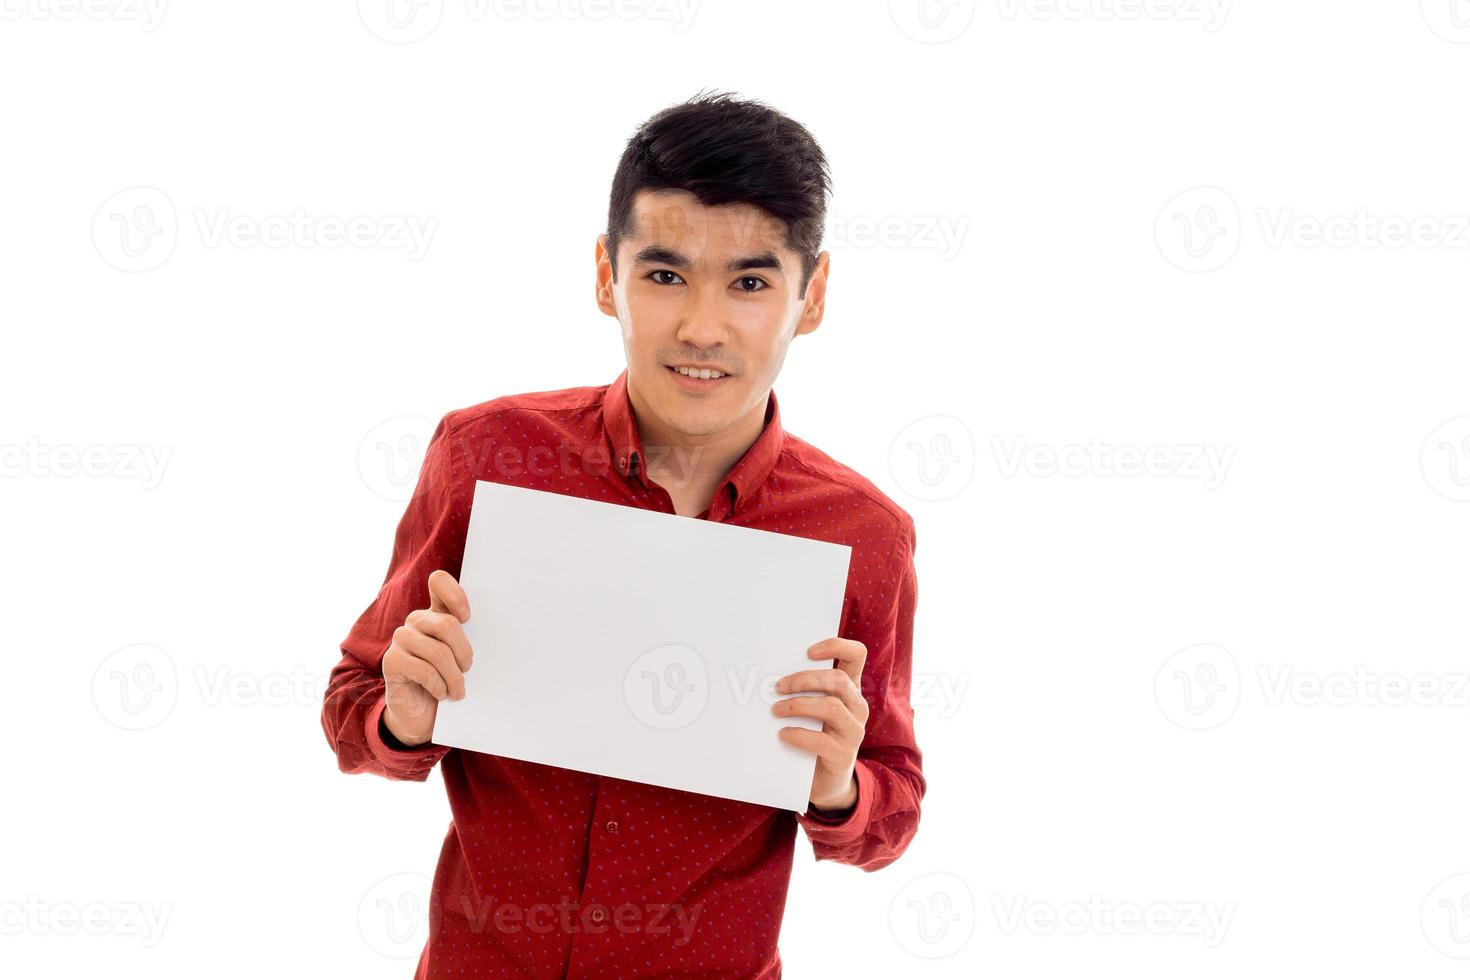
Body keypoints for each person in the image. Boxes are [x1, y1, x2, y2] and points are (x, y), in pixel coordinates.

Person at [321, 91, 926, 979]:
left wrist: (837, 785)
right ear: (607, 276)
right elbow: (351, 708)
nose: (703, 328)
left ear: (813, 295)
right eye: (665, 273)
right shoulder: (486, 458)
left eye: (751, 283)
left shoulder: (862, 534)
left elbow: (892, 809)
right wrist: (405, 716)